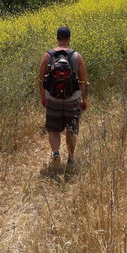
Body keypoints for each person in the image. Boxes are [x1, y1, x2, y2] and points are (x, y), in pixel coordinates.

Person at [39, 26, 88, 166]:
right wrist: (85, 99)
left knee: (53, 128)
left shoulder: (47, 55)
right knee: (71, 130)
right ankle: (71, 158)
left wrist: (43, 97)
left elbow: (41, 80)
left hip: (53, 98)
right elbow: (84, 81)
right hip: (72, 99)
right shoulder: (76, 56)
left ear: (57, 38)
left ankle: (56, 153)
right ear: (69, 39)